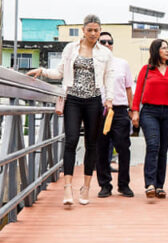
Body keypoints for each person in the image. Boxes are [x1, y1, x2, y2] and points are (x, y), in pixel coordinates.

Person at [28, 14, 113, 206]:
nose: (93, 33)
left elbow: (109, 78)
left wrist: (109, 100)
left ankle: (86, 187)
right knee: (71, 140)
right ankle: (67, 188)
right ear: (83, 30)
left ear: (100, 31)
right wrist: (42, 71)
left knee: (91, 144)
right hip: (73, 99)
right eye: (89, 30)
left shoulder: (105, 54)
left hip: (94, 100)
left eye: (96, 30)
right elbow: (60, 72)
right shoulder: (71, 48)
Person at [132, 39, 168, 199]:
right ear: (155, 51)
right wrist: (135, 112)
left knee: (163, 149)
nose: (167, 51)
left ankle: (160, 186)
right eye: (163, 48)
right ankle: (150, 184)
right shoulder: (146, 69)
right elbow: (137, 92)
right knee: (153, 145)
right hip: (149, 112)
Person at [95, 31, 135, 198]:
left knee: (123, 147)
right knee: (101, 149)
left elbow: (128, 88)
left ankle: (123, 184)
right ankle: (105, 185)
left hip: (119, 110)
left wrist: (132, 110)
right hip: (99, 109)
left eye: (109, 42)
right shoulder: (93, 63)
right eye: (102, 42)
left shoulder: (122, 64)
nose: (106, 45)